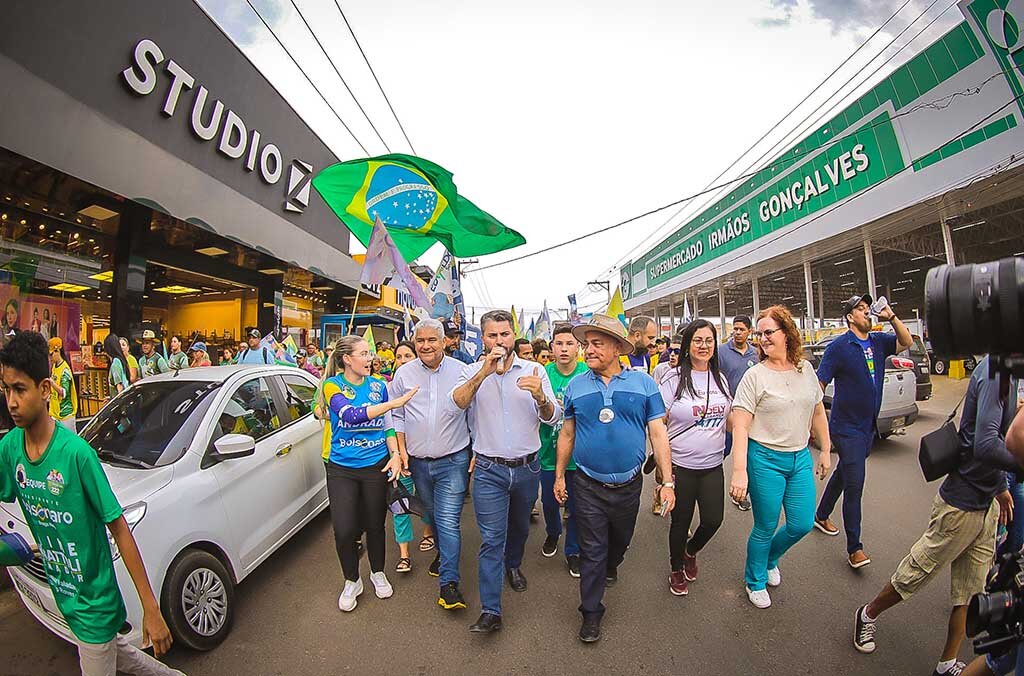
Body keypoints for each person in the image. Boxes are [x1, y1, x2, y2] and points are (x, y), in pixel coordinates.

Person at [0, 331, 184, 676]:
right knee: (125, 656)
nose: (10, 401)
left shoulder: (77, 455)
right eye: (6, 389)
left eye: (19, 389)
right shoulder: (10, 449)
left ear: (44, 389)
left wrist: (151, 608)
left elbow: (119, 526)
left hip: (94, 602)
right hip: (63, 593)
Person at [853, 356, 1017, 676]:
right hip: (960, 504)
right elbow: (983, 443)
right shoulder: (996, 373)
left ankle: (945, 663)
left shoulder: (1009, 373)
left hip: (986, 503)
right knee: (918, 571)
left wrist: (999, 488)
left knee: (970, 589)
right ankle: (868, 614)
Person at [554, 314, 674, 642]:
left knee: (619, 542)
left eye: (596, 344)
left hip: (629, 485)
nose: (587, 350)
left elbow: (659, 434)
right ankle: (591, 612)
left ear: (618, 347)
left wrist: (666, 482)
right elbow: (567, 433)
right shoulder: (577, 386)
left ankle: (613, 563)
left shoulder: (644, 384)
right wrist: (561, 476)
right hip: (588, 484)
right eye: (586, 344)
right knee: (592, 549)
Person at [452, 309, 559, 633]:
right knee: (491, 539)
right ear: (483, 339)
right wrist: (483, 373)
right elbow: (457, 402)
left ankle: (514, 565)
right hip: (488, 470)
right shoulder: (472, 371)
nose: (500, 341)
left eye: (505, 334)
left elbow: (553, 417)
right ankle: (491, 611)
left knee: (519, 530)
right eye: (492, 335)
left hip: (527, 468)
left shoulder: (535, 369)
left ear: (513, 336)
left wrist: (541, 396)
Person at [728, 305, 831, 609]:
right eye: (759, 334)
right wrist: (739, 470)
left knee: (801, 523)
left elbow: (816, 411)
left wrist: (825, 449)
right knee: (765, 525)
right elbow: (741, 425)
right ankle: (755, 579)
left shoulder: (806, 370)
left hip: (799, 458)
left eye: (768, 332)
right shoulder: (754, 376)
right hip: (764, 459)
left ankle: (771, 557)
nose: (762, 339)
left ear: (787, 333)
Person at [813, 294, 912, 569]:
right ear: (849, 317)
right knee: (855, 485)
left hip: (868, 426)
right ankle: (855, 548)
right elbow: (819, 385)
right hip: (846, 429)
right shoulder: (839, 347)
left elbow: (907, 342)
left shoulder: (878, 342)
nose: (867, 313)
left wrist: (890, 316)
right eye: (861, 309)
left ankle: (821, 515)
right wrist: (813, 422)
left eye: (868, 309)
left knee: (845, 473)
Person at [320, 334, 416, 612]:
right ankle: (352, 580)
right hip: (342, 468)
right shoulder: (331, 385)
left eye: (369, 353)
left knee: (375, 525)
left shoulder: (378, 385)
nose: (370, 358)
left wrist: (396, 454)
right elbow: (349, 415)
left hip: (376, 465)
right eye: (363, 353)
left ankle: (377, 572)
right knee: (344, 529)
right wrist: (394, 404)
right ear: (347, 359)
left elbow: (387, 426)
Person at [390, 320, 470, 608]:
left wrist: (475, 454)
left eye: (432, 340)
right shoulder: (403, 374)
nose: (425, 346)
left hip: (453, 461)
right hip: (418, 464)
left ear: (444, 341)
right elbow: (395, 414)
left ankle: (449, 584)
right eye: (420, 340)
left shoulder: (463, 371)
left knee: (448, 520)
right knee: (433, 515)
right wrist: (400, 450)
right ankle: (442, 552)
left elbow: (473, 412)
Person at [659, 319, 732, 598]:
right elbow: (658, 422)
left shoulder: (721, 379)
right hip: (681, 466)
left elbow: (729, 418)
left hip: (713, 464)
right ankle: (676, 568)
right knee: (680, 522)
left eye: (709, 340)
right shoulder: (673, 379)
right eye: (698, 341)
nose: (704, 346)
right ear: (688, 345)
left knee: (713, 520)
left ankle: (691, 551)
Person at [539, 324, 589, 577]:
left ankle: (573, 551)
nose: (564, 349)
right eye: (559, 344)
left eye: (570, 343)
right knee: (549, 502)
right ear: (552, 347)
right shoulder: (543, 373)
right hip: (548, 453)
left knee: (578, 507)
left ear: (578, 347)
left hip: (579, 456)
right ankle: (552, 532)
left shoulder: (587, 373)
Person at [718, 315, 759, 511]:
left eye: (741, 329)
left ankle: (742, 493)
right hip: (728, 414)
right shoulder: (721, 352)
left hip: (750, 414)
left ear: (749, 331)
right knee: (721, 452)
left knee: (749, 455)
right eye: (735, 329)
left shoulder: (756, 354)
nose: (737, 332)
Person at [48, 337, 77, 432]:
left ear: (58, 351)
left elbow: (64, 392)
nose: (50, 358)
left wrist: (51, 383)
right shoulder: (54, 367)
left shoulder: (65, 370)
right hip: (55, 414)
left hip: (65, 416)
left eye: (51, 354)